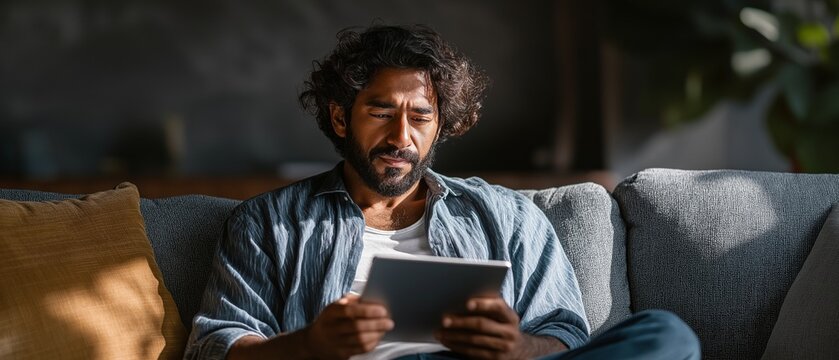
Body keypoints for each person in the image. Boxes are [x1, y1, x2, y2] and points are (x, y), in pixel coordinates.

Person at [185, 24, 700, 360]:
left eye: (421, 117)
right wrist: (312, 345)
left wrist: (514, 346)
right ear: (341, 117)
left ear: (441, 126)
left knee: (664, 336)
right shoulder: (269, 223)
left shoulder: (507, 216)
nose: (401, 137)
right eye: (381, 113)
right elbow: (215, 345)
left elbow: (566, 338)